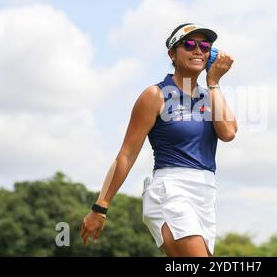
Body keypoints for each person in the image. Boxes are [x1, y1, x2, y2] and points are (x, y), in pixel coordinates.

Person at [80, 23, 237, 257]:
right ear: (172, 54)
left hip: (205, 194)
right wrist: (100, 207)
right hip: (171, 190)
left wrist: (214, 83)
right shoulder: (155, 95)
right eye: (189, 44)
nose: (198, 51)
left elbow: (228, 133)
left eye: (205, 46)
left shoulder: (210, 95)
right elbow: (127, 154)